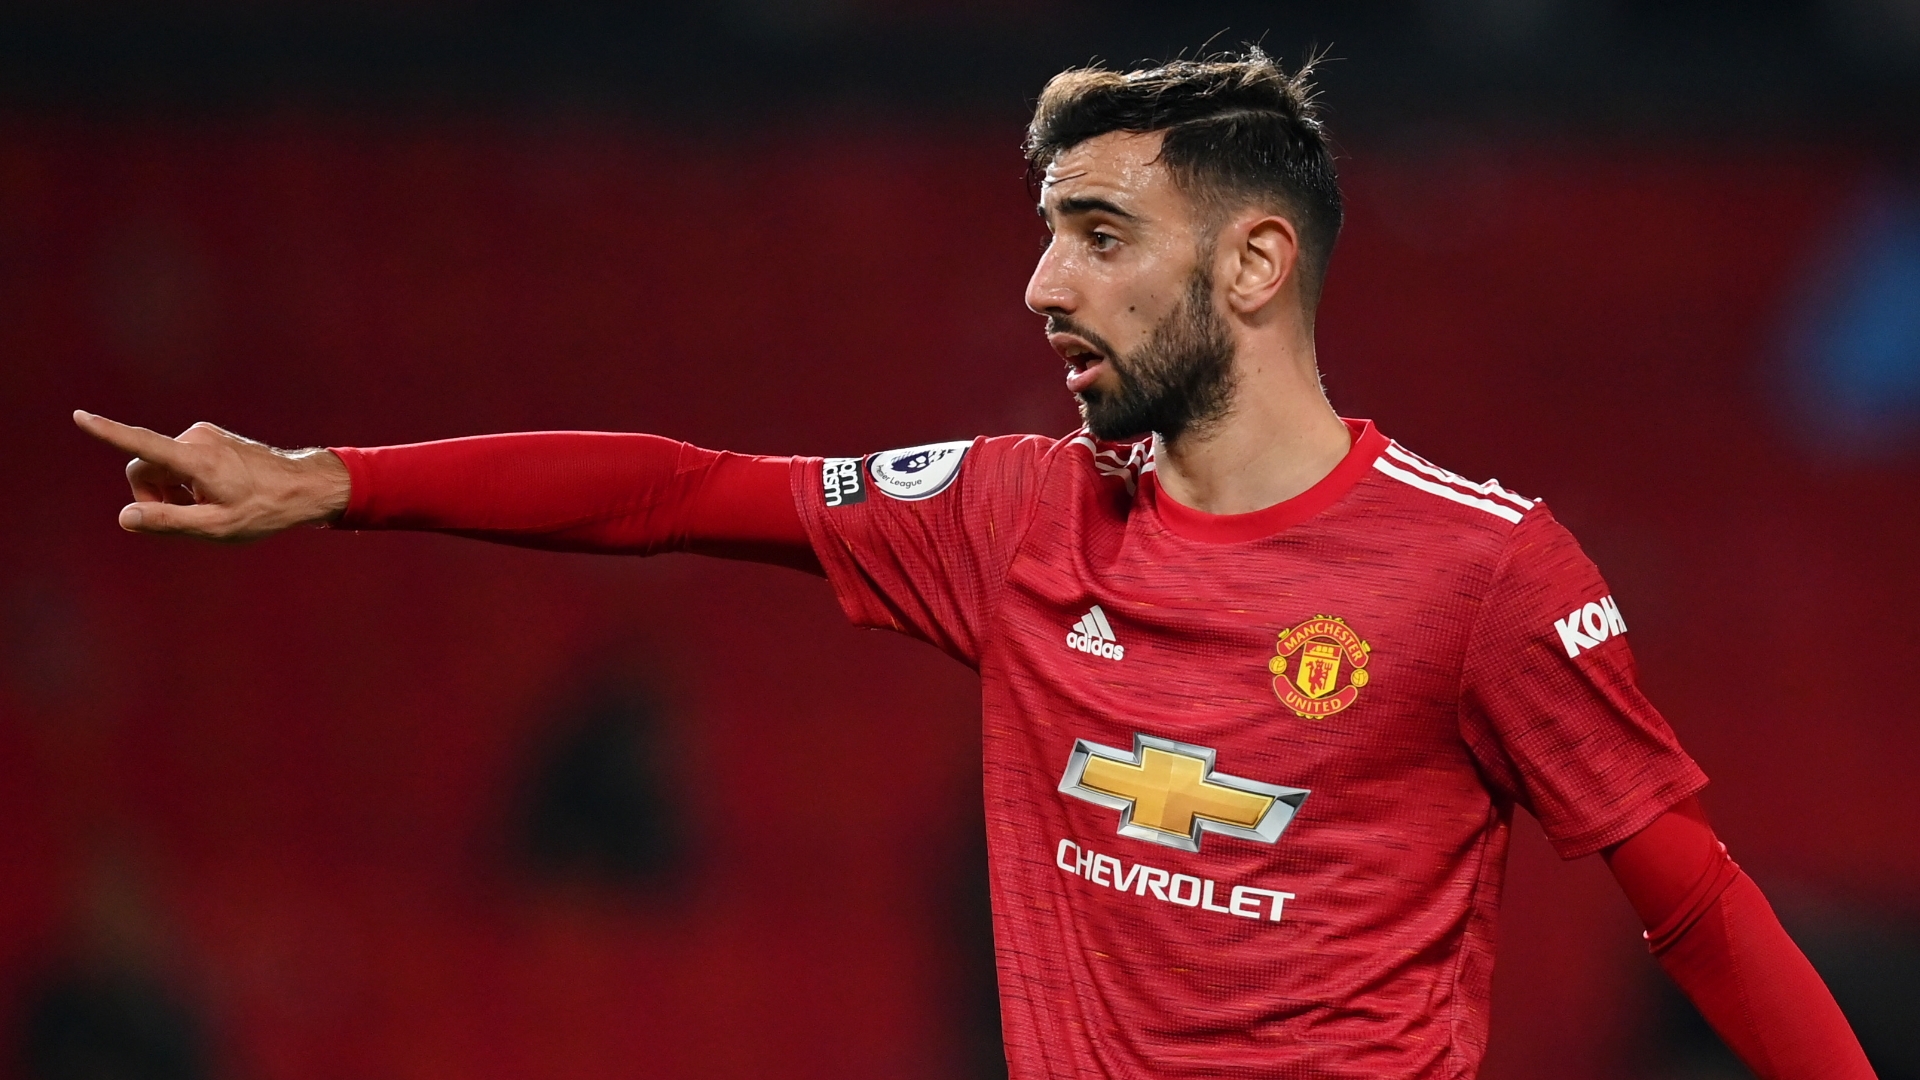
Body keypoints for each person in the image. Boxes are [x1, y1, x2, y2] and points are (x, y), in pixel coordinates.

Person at [76, 49, 1873, 1080]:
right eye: (1042, 237)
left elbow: (1695, 904)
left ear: (1255, 266)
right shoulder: (1013, 516)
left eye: (1098, 236)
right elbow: (681, 493)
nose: (1042, 286)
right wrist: (337, 481)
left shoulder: (1479, 570)